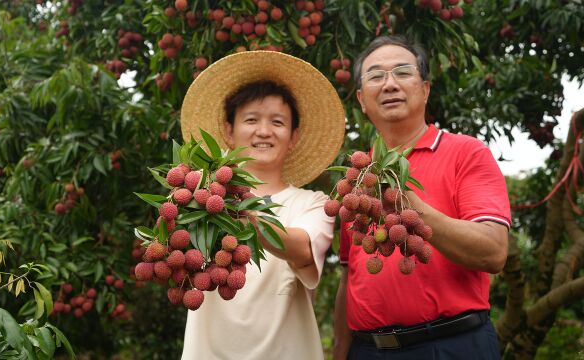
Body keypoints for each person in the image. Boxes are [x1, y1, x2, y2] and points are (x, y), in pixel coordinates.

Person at [333, 35, 511, 359]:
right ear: (360, 98)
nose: (389, 84)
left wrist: (409, 206)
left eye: (402, 72)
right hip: (366, 351)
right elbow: (350, 276)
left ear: (425, 89)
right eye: (375, 76)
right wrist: (340, 351)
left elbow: (494, 251)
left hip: (452, 345)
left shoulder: (466, 153)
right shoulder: (357, 178)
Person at [179, 51, 345, 360]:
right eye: (251, 120)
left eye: (277, 122)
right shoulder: (197, 198)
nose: (264, 131)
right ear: (229, 131)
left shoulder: (313, 203)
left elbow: (302, 249)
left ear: (293, 136)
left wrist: (242, 210)